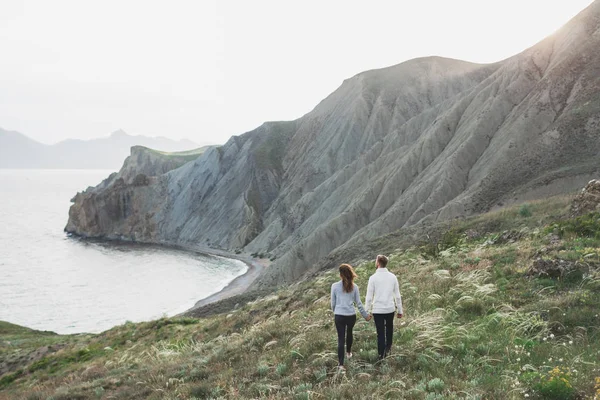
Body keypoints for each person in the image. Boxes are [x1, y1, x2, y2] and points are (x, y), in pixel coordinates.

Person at [331, 263, 371, 371]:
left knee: (340, 338)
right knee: (349, 333)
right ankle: (348, 353)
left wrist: (336, 312)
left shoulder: (334, 286)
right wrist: (365, 316)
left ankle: (340, 364)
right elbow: (359, 304)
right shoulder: (355, 287)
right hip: (350, 315)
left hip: (339, 315)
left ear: (340, 274)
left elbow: (333, 303)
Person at [365, 254, 403, 360]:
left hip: (377, 310)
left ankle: (381, 355)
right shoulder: (393, 277)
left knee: (380, 333)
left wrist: (366, 311)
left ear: (378, 263)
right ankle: (388, 349)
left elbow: (369, 297)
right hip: (390, 308)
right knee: (389, 329)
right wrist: (400, 310)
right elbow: (397, 295)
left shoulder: (372, 278)